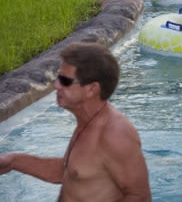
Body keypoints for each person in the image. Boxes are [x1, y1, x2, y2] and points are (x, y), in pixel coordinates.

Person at [0, 43, 151, 201]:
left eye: (65, 81)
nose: (56, 85)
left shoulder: (115, 134)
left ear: (92, 89)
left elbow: (139, 196)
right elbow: (71, 171)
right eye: (58, 77)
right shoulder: (88, 120)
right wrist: (13, 161)